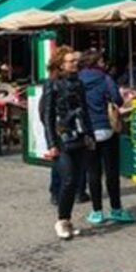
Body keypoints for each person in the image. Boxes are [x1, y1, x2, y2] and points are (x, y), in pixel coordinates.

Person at [79, 50, 135, 225]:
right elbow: (117, 100)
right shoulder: (105, 78)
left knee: (93, 172)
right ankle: (116, 209)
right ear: (96, 62)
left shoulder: (78, 79)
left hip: (87, 130)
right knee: (111, 171)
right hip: (106, 127)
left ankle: (96, 212)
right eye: (102, 60)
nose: (104, 63)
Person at [42, 49, 92, 240]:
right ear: (61, 64)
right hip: (62, 138)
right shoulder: (52, 85)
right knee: (69, 178)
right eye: (70, 61)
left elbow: (85, 110)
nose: (74, 64)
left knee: (76, 181)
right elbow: (47, 116)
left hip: (79, 136)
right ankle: (61, 221)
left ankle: (67, 220)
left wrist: (90, 135)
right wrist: (51, 143)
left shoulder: (78, 83)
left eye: (75, 61)